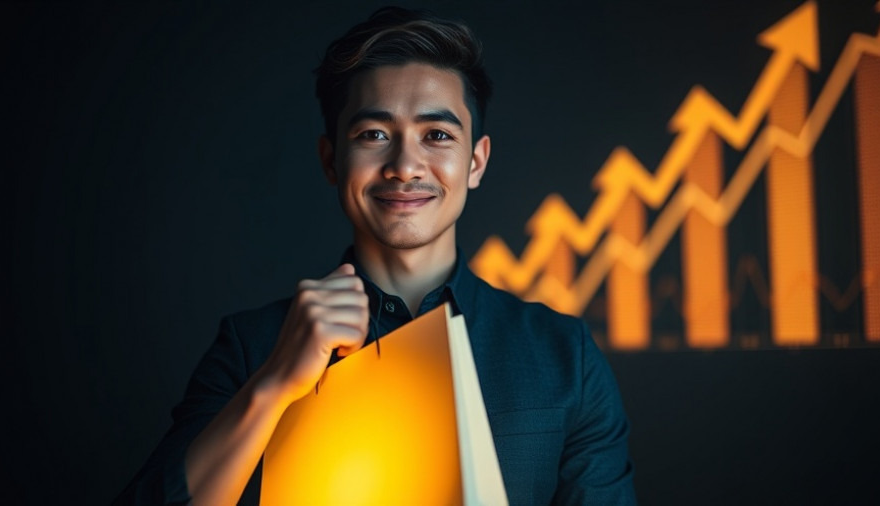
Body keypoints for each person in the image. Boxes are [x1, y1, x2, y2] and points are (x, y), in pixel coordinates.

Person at [116, 6, 635, 505]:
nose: (405, 165)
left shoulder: (564, 357)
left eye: (436, 135)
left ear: (475, 162)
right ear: (330, 160)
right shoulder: (253, 348)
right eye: (374, 135)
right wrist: (275, 384)